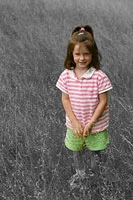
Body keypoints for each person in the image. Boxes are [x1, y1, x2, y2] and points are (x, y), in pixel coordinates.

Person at [56, 25, 113, 184]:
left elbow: (103, 101)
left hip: (96, 125)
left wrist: (91, 123)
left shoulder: (99, 77)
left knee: (97, 152)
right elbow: (65, 99)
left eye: (86, 54)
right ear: (71, 54)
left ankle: (96, 177)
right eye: (78, 54)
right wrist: (75, 122)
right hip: (75, 125)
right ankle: (80, 175)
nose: (82, 58)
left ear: (92, 55)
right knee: (77, 151)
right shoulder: (66, 75)